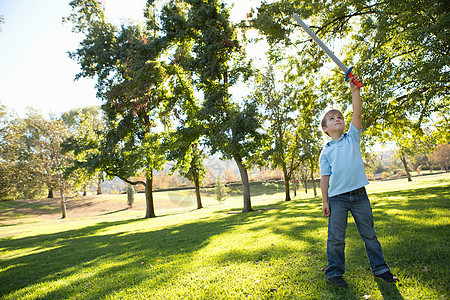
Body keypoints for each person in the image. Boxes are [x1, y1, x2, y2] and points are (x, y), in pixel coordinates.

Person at [319, 76, 399, 288]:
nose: (338, 119)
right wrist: (325, 201)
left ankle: (380, 269)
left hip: (360, 195)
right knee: (336, 238)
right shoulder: (325, 152)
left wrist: (355, 91)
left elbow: (356, 113)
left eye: (340, 117)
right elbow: (325, 178)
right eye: (332, 118)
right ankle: (334, 272)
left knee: (369, 234)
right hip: (337, 199)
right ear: (325, 128)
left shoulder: (352, 137)